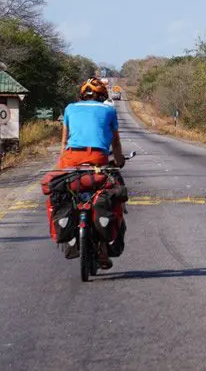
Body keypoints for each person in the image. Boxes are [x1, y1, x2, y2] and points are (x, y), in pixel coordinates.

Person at [57, 77, 125, 269]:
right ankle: (103, 250)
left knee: (65, 192)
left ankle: (70, 236)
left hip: (70, 159)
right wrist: (119, 161)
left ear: (82, 94)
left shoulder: (70, 108)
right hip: (97, 159)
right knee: (110, 196)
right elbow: (116, 143)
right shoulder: (109, 110)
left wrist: (62, 165)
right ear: (102, 96)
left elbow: (64, 142)